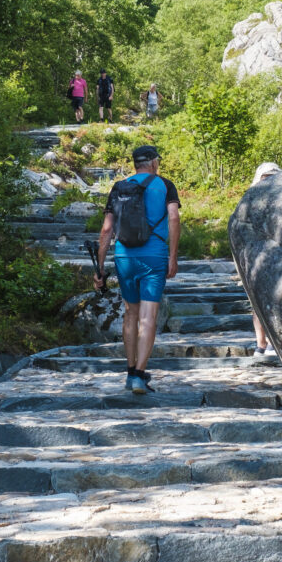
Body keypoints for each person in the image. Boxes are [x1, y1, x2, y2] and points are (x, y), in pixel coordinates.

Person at [94, 145, 181, 394]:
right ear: (153, 162)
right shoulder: (165, 185)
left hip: (124, 257)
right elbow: (173, 218)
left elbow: (106, 230)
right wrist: (172, 256)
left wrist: (99, 268)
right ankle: (139, 376)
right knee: (148, 317)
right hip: (153, 256)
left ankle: (130, 370)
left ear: (135, 164)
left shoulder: (120, 187)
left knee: (130, 314)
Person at [249, 162, 281, 359]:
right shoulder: (251, 199)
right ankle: (261, 343)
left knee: (273, 299)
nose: (269, 181)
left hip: (273, 257)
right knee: (256, 301)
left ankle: (268, 343)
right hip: (257, 256)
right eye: (266, 177)